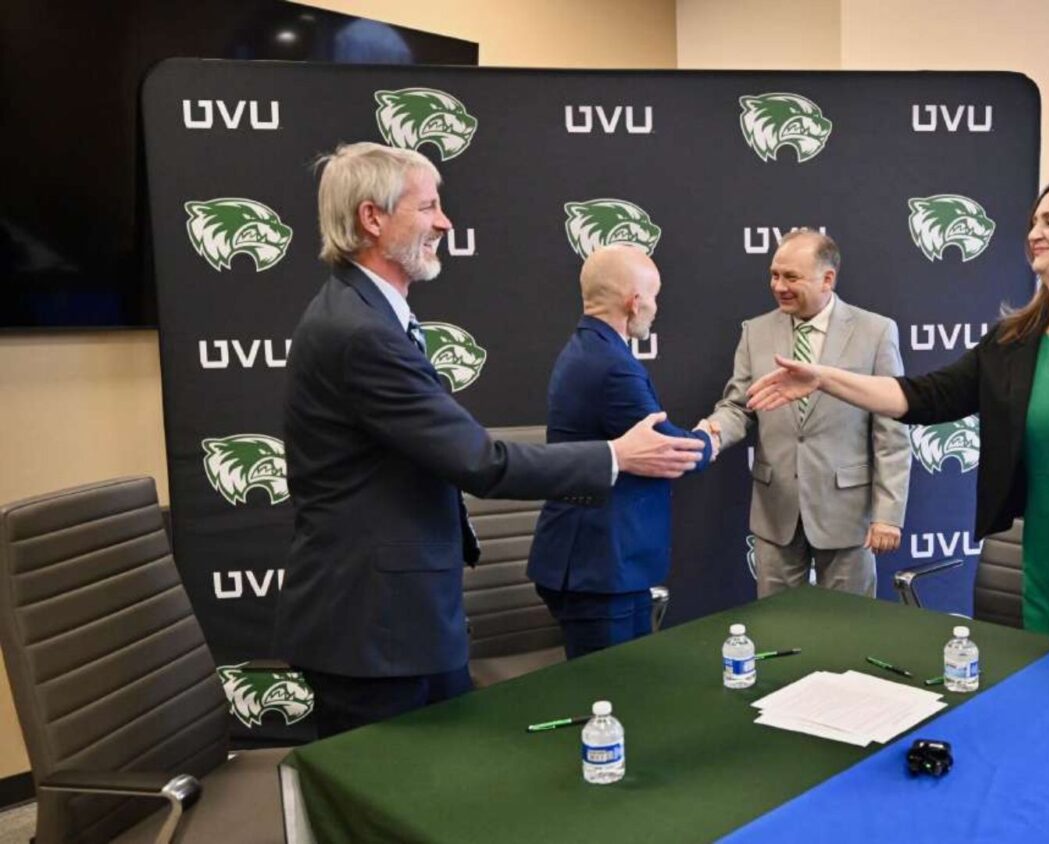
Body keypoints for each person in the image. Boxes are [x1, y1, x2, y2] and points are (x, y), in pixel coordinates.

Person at [276, 143, 705, 736]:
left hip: (399, 621)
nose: (445, 223)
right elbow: (478, 461)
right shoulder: (358, 331)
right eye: (429, 207)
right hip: (373, 631)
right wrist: (617, 455)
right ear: (373, 219)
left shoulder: (367, 315)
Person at [746, 175, 1049, 679]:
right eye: (1034, 220)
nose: (1034, 231)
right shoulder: (1014, 342)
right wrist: (822, 378)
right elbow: (920, 397)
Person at [527, 246, 714, 658]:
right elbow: (670, 449)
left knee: (621, 692)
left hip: (599, 564)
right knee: (609, 697)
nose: (656, 307)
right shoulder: (613, 365)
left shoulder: (588, 349)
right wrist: (714, 437)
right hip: (600, 567)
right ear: (634, 301)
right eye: (654, 296)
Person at [701, 230, 911, 598]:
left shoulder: (876, 332)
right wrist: (712, 433)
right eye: (774, 274)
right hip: (776, 511)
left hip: (846, 515)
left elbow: (891, 431)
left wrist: (888, 514)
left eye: (791, 277)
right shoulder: (755, 332)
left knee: (850, 631)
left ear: (828, 279)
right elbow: (738, 405)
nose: (778, 285)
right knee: (778, 630)